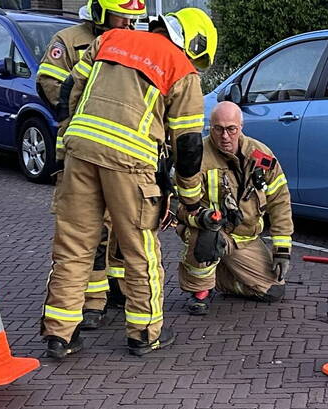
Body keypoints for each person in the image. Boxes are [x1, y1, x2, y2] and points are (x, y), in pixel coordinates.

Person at [41, 8, 215, 358]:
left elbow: (69, 90)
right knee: (141, 250)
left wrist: (75, 137)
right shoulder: (181, 69)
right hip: (130, 164)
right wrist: (191, 197)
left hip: (80, 151)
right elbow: (189, 145)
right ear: (192, 44)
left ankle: (60, 335)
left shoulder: (109, 39)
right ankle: (143, 333)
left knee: (74, 245)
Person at [36, 0, 136, 330]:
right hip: (78, 152)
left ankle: (117, 290)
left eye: (132, 18)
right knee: (88, 231)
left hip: (121, 154)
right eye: (121, 16)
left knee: (123, 228)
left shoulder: (134, 43)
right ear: (99, 14)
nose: (127, 24)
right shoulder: (69, 41)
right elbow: (49, 85)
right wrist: (87, 109)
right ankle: (90, 302)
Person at [177, 101, 293, 315]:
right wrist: (202, 219)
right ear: (209, 127)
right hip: (211, 231)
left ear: (241, 127)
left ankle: (220, 280)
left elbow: (280, 201)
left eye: (231, 129)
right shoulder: (197, 156)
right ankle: (199, 291)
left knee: (273, 292)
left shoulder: (261, 155)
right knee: (206, 238)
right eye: (218, 129)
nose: (225, 136)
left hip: (245, 238)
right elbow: (179, 205)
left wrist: (282, 250)